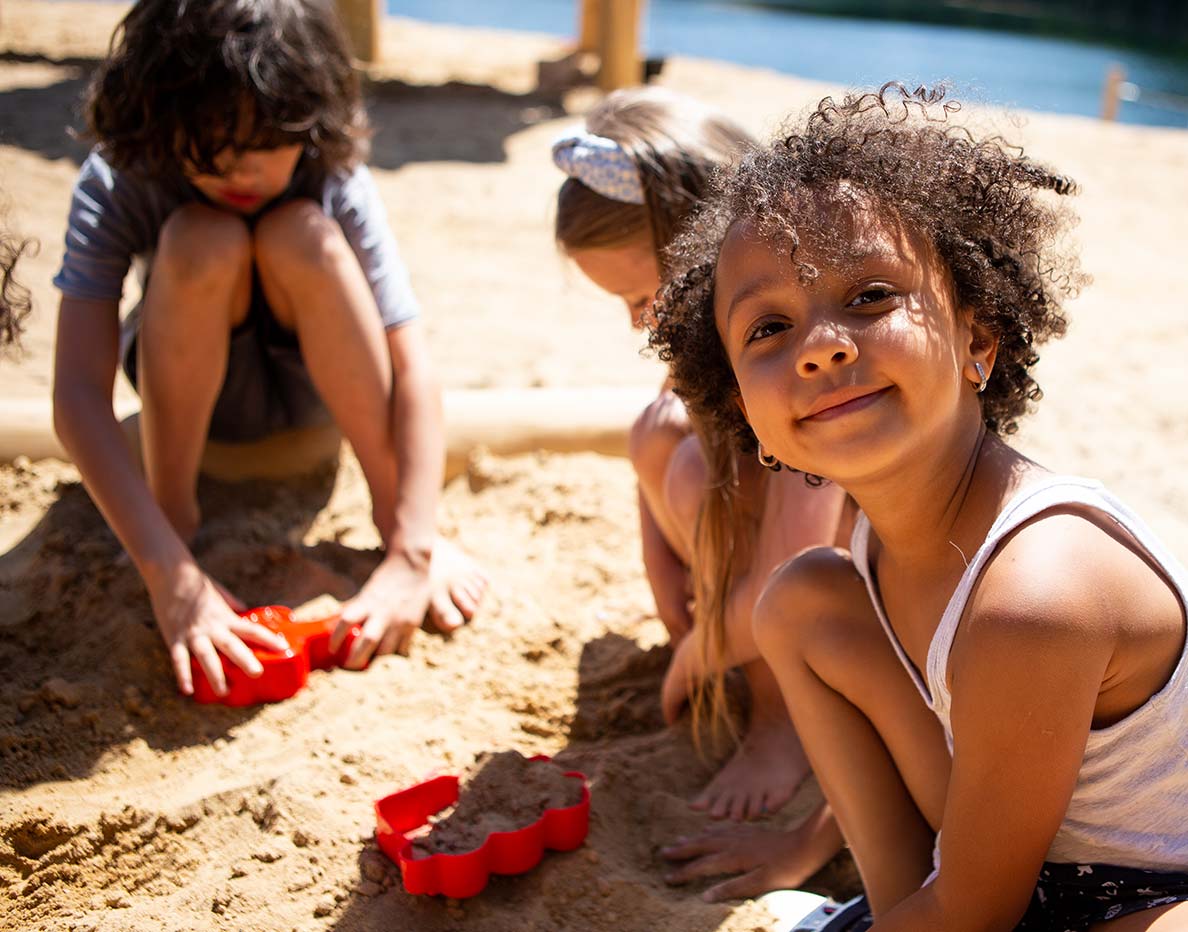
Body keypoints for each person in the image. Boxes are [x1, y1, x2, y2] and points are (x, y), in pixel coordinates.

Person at [650, 82, 1188, 928]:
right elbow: (947, 867)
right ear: (748, 414)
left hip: (1148, 891)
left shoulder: (1036, 594)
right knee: (800, 603)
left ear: (978, 339)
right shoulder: (872, 557)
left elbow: (972, 911)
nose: (824, 346)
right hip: (1002, 874)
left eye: (869, 297)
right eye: (768, 329)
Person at [52, 0, 486, 700]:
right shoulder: (124, 174)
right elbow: (76, 391)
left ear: (308, 119)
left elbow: (412, 361)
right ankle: (175, 520)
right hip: (194, 417)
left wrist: (413, 544)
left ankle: (387, 515)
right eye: (210, 137)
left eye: (263, 141)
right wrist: (168, 573)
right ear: (162, 116)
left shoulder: (331, 171)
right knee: (201, 236)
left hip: (315, 405)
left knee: (300, 233)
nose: (236, 165)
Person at [553, 86, 849, 899]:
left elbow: (798, 565)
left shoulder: (805, 365)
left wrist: (696, 652)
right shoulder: (721, 337)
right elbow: (665, 458)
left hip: (849, 596)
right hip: (766, 593)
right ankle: (738, 658)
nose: (640, 324)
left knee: (699, 466)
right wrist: (677, 596)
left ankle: (782, 717)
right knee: (660, 434)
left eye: (646, 299)